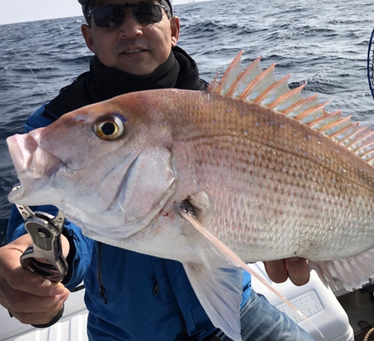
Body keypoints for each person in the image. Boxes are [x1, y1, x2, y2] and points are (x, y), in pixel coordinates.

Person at [0, 0, 314, 340]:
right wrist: (41, 261)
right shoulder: (58, 129)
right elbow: (56, 216)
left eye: (146, 12)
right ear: (89, 38)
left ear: (174, 29)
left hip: (237, 309)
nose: (131, 28)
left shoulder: (234, 113)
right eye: (109, 16)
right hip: (125, 332)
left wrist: (299, 232)